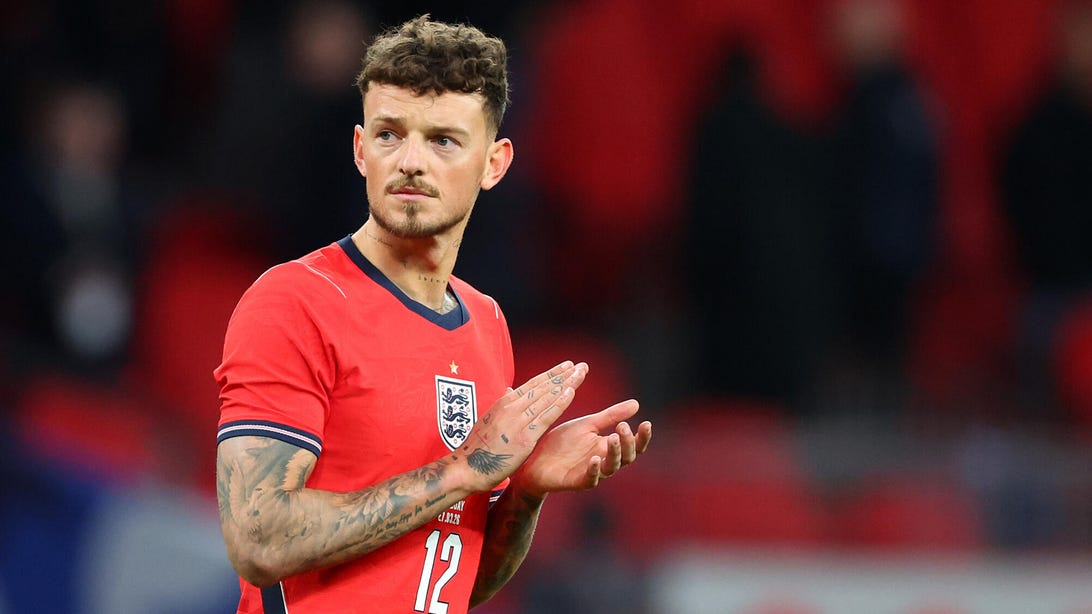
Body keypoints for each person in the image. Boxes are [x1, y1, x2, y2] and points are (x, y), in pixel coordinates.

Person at [214, 15, 652, 614]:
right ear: (361, 150)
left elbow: (457, 581)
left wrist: (524, 492)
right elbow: (258, 540)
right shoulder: (297, 302)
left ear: (494, 164)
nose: (410, 161)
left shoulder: (486, 323)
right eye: (390, 134)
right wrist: (465, 470)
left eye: (443, 140)